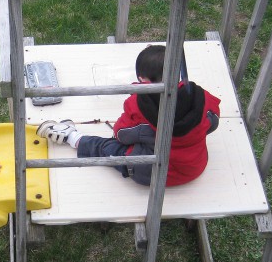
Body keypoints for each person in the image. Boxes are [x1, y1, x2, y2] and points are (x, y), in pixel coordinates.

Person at [36, 45, 220, 186]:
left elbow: (121, 134)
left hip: (153, 173)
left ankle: (71, 136)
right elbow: (213, 121)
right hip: (194, 167)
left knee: (109, 147)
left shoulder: (139, 105)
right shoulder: (200, 95)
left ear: (142, 80)